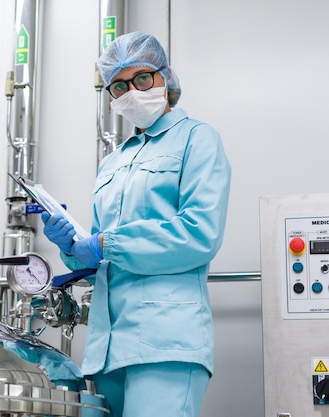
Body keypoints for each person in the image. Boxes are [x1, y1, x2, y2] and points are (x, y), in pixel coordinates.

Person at [41, 32, 231, 417]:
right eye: (120, 86)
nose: (133, 91)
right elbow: (98, 262)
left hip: (166, 340)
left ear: (166, 78)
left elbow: (198, 234)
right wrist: (71, 247)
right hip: (107, 348)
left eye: (142, 78)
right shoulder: (112, 163)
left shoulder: (198, 140)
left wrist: (104, 244)